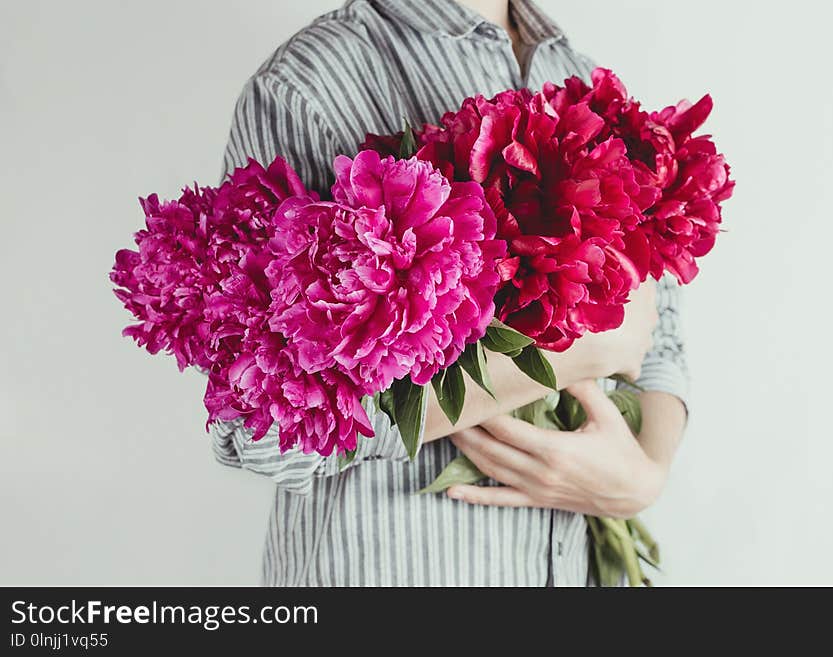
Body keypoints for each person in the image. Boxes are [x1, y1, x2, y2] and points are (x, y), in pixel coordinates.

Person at [213, 0, 688, 586]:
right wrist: (563, 359)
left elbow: (660, 335)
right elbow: (261, 428)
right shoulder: (308, 83)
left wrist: (643, 476)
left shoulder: (579, 75)